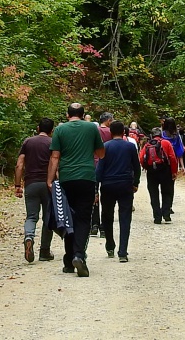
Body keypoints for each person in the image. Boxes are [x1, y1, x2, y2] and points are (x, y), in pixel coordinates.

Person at [48, 102, 105, 277]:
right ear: (82, 114)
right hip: (87, 177)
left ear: (67, 115)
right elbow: (101, 154)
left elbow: (55, 157)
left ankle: (68, 261)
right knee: (83, 219)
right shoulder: (91, 128)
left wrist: (50, 180)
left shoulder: (59, 130)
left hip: (66, 178)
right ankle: (79, 255)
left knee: (68, 218)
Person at [96, 119, 140, 262]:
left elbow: (99, 169)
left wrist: (96, 188)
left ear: (110, 132)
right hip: (125, 184)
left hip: (108, 185)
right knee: (125, 217)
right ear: (123, 132)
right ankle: (123, 252)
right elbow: (136, 167)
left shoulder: (105, 146)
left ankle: (110, 245)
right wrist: (135, 183)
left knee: (107, 216)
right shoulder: (130, 147)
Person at [13, 117, 56, 263]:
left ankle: (29, 237)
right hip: (48, 184)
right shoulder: (52, 143)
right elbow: (55, 163)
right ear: (52, 131)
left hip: (31, 184)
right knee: (48, 218)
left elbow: (19, 164)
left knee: (31, 216)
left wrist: (18, 185)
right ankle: (44, 251)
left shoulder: (28, 142)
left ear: (38, 128)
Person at [140, 125, 177, 223]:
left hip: (151, 171)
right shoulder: (166, 143)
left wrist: (146, 167)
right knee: (167, 192)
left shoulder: (147, 145)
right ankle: (166, 214)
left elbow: (141, 158)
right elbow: (172, 158)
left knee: (154, 194)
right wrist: (174, 172)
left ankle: (157, 217)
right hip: (165, 170)